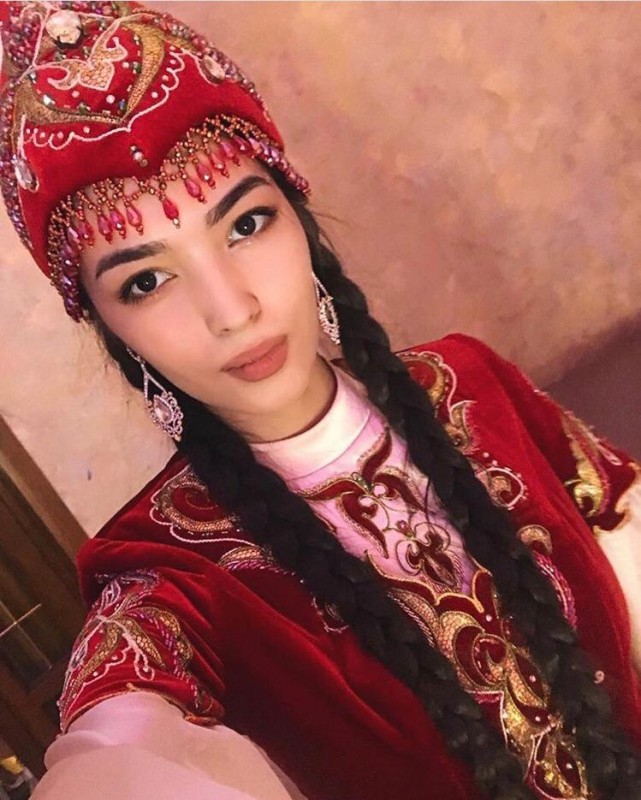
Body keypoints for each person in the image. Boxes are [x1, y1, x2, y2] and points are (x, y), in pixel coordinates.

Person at [0, 2, 640, 799]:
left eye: (245, 224)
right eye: (147, 280)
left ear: (298, 216)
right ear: (109, 326)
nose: (231, 310)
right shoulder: (167, 578)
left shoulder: (468, 383)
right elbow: (123, 747)